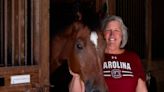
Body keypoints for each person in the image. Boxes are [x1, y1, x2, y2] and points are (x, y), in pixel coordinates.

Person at [101, 15, 148, 92]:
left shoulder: (133, 58)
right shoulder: (95, 57)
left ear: (122, 36)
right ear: (103, 35)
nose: (112, 34)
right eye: (108, 30)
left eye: (116, 30)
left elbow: (142, 89)